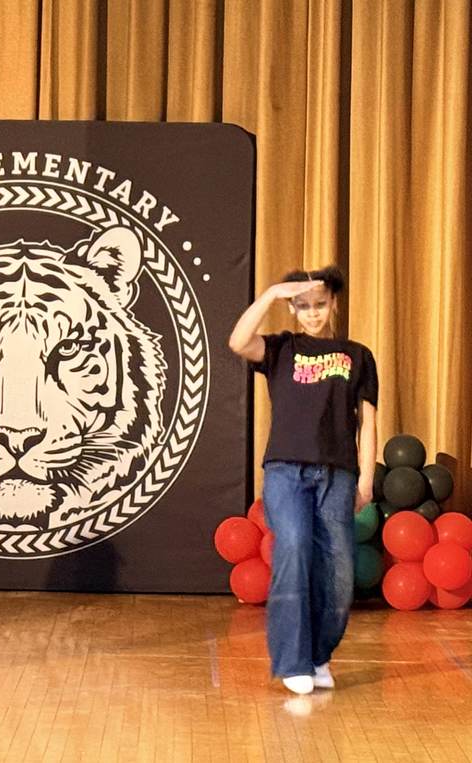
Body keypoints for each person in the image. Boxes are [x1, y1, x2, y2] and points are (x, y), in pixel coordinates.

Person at [228, 265, 377, 695]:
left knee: (340, 571)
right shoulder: (281, 349)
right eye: (304, 306)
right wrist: (272, 293)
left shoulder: (357, 355)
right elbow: (238, 341)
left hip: (338, 474)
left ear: (333, 304)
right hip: (286, 471)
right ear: (294, 310)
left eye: (320, 304)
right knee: (292, 549)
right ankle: (293, 661)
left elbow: (366, 424)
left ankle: (317, 655)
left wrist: (365, 480)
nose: (313, 313)